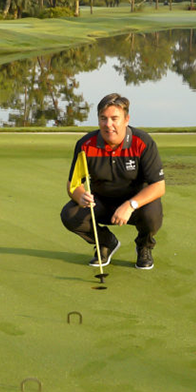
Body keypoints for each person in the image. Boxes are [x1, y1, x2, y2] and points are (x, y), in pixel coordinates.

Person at [61, 93, 165, 270]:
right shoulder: (85, 145)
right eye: (103, 118)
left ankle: (144, 246)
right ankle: (106, 242)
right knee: (70, 214)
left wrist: (130, 205)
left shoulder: (142, 142)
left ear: (126, 119)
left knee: (153, 213)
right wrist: (80, 196)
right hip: (100, 204)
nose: (108, 125)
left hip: (135, 206)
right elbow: (73, 184)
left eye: (114, 118)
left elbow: (158, 186)